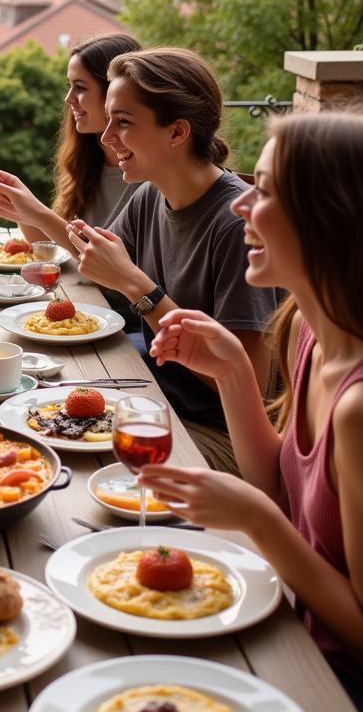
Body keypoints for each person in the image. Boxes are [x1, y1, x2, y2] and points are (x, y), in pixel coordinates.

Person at [141, 110, 363, 711]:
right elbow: (285, 491)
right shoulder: (306, 333)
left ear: (332, 218)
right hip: (300, 629)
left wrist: (258, 520)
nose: (240, 204)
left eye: (264, 191)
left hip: (358, 689)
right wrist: (235, 372)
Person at [65, 47, 278, 473]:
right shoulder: (150, 195)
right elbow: (104, 272)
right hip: (155, 400)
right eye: (109, 120)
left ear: (177, 132)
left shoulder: (235, 226)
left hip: (221, 436)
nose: (106, 137)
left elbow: (247, 384)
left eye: (123, 123)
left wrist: (140, 290)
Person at [0, 32, 143, 241]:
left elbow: (102, 260)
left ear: (114, 92)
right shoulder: (88, 160)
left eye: (80, 87)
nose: (69, 99)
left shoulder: (148, 174)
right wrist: (18, 210)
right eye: (70, 86)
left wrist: (36, 212)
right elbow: (57, 247)